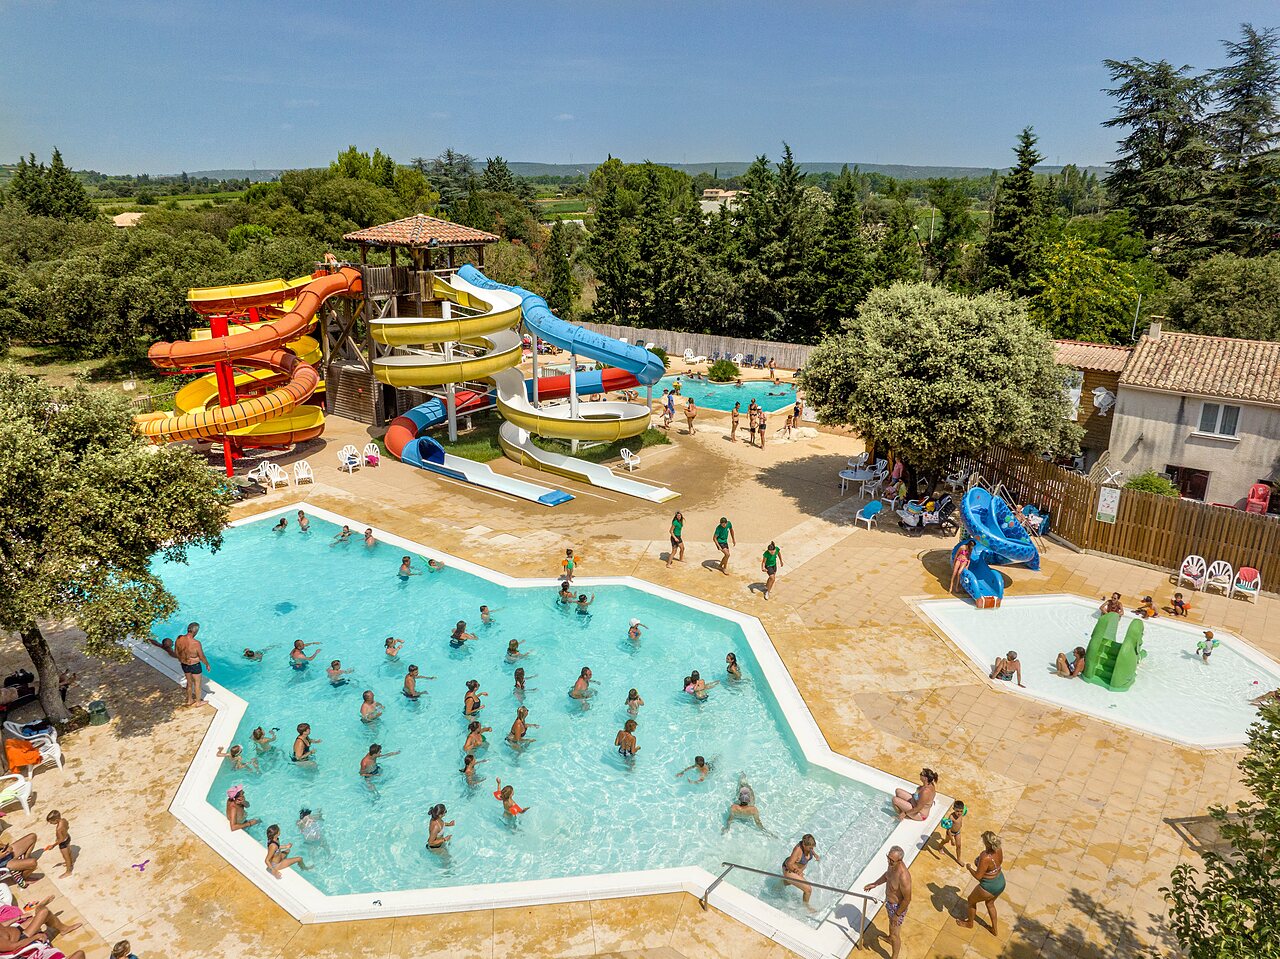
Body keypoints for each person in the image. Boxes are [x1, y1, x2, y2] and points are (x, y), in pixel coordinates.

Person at [865, 845, 912, 955]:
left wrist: (897, 914)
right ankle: (890, 938)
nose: (889, 861)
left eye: (892, 860)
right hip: (890, 904)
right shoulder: (891, 865)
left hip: (897, 908)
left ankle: (894, 956)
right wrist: (875, 884)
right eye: (888, 858)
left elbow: (907, 899)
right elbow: (887, 876)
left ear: (900, 860)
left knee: (896, 934)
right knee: (891, 927)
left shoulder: (904, 877)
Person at [958, 831, 1006, 934]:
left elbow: (978, 876)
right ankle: (994, 929)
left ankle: (969, 923)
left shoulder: (985, 856)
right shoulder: (999, 849)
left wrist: (970, 868)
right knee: (990, 904)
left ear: (986, 843)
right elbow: (999, 862)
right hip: (1000, 881)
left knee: (971, 900)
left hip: (989, 886)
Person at [0, 902, 86, 959]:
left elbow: (2, 925)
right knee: (44, 912)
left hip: (18, 929)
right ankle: (63, 929)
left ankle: (63, 929)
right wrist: (36, 937)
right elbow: (15, 947)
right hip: (23, 938)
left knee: (43, 911)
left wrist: (18, 918)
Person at [782, 834, 820, 912]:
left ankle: (778, 886)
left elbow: (811, 848)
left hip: (797, 869)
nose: (811, 849)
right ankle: (806, 907)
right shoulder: (797, 850)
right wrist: (797, 872)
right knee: (808, 889)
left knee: (788, 883)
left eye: (812, 847)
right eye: (810, 848)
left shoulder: (809, 847)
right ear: (803, 844)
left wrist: (815, 855)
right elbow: (789, 864)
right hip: (789, 869)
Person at [174, 622, 209, 708]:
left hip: (184, 664)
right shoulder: (196, 643)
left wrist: (180, 659)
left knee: (189, 683)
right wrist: (207, 664)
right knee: (197, 683)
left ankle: (189, 700)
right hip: (194, 665)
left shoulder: (179, 639)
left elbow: (176, 652)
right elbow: (201, 656)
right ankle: (198, 702)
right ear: (195, 632)